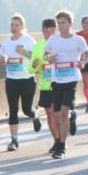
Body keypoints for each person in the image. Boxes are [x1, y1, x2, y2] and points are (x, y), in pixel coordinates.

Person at [44, 10, 88, 159]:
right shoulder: (53, 39)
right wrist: (49, 58)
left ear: (70, 24)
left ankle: (62, 146)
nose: (60, 26)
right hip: (57, 80)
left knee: (63, 112)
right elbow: (46, 53)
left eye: (63, 23)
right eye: (58, 23)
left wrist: (83, 62)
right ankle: (71, 118)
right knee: (57, 115)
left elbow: (87, 54)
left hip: (71, 79)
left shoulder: (78, 40)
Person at [0, 13, 41, 150]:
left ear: (22, 26)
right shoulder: (5, 43)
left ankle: (34, 115)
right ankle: (14, 140)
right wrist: (4, 60)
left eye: (16, 25)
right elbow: (3, 58)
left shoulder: (29, 40)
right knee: (13, 110)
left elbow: (37, 59)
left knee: (26, 109)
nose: (14, 27)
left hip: (27, 79)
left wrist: (23, 52)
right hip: (11, 79)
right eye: (12, 25)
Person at [28, 19, 59, 152]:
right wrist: (34, 65)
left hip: (59, 84)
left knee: (59, 114)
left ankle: (70, 118)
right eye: (44, 29)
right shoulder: (38, 46)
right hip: (45, 86)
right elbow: (31, 69)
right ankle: (57, 141)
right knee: (50, 114)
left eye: (49, 29)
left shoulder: (61, 43)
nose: (46, 32)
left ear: (55, 29)